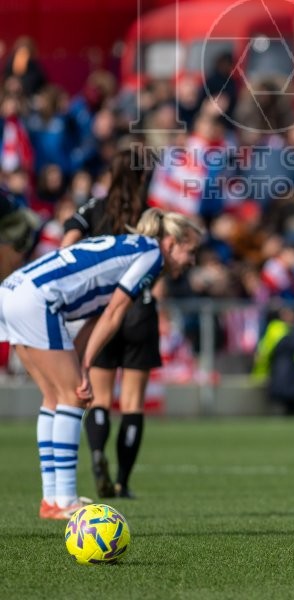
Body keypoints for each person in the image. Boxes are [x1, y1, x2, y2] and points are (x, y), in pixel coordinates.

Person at [0, 208, 202, 519]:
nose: (192, 261)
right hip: (37, 299)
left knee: (55, 398)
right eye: (191, 251)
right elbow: (113, 314)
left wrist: (81, 361)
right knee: (74, 396)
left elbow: (97, 315)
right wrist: (86, 367)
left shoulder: (130, 247)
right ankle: (65, 499)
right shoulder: (151, 254)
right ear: (172, 242)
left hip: (13, 290)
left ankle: (52, 500)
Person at [60, 148, 155, 499]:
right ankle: (123, 482)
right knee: (132, 402)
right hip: (140, 309)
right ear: (144, 177)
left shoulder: (94, 209)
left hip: (102, 310)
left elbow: (66, 245)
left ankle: (98, 454)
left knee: (99, 399)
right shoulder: (149, 216)